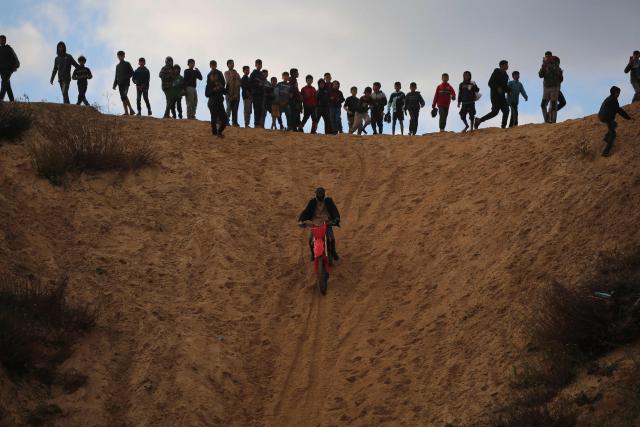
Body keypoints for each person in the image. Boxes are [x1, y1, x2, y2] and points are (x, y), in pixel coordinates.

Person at [298, 187, 340, 261]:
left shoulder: (328, 201)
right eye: (319, 194)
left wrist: (336, 218)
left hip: (326, 223)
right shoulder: (312, 202)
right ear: (316, 194)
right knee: (310, 241)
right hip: (315, 223)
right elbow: (306, 211)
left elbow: (334, 210)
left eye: (321, 194)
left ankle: (333, 251)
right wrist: (301, 220)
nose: (320, 195)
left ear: (324, 194)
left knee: (332, 239)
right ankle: (313, 253)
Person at [598, 86, 633, 157]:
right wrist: (628, 118)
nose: (619, 94)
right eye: (618, 93)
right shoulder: (613, 100)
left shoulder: (609, 98)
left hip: (601, 116)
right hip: (606, 117)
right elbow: (620, 111)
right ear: (614, 93)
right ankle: (605, 152)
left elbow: (616, 109)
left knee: (614, 124)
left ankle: (606, 138)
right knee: (613, 134)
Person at [475, 60, 510, 129]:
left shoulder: (506, 76)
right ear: (501, 65)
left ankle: (503, 127)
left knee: (506, 110)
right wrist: (497, 88)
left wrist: (509, 91)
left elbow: (505, 86)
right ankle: (479, 120)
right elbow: (490, 83)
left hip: (502, 96)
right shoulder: (496, 72)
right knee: (495, 112)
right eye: (506, 65)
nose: (507, 66)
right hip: (495, 96)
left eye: (507, 65)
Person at [205, 60, 228, 138]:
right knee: (214, 118)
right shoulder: (209, 83)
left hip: (219, 102)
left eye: (214, 65)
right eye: (212, 65)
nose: (214, 77)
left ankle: (219, 132)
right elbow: (206, 94)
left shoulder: (220, 78)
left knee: (225, 119)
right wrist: (213, 90)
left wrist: (221, 87)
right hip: (212, 101)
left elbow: (225, 91)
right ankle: (215, 133)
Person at [539, 51, 563, 123]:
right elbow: (540, 75)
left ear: (551, 57)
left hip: (554, 87)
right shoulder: (544, 65)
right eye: (546, 57)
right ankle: (546, 120)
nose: (548, 58)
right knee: (543, 105)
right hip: (546, 88)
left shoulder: (555, 64)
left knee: (553, 104)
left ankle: (553, 121)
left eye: (549, 56)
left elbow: (557, 73)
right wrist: (543, 65)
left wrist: (548, 65)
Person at [112, 50, 135, 115]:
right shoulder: (117, 66)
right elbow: (116, 76)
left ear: (124, 56)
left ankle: (130, 109)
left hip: (126, 83)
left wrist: (126, 77)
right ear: (118, 57)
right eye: (119, 56)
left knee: (124, 95)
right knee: (122, 97)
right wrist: (114, 84)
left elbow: (132, 72)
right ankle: (126, 112)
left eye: (122, 56)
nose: (120, 57)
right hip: (120, 84)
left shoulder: (127, 64)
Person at [0, 35, 20, 102]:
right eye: (0, 40)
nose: (1, 41)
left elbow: (15, 58)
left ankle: (0, 99)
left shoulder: (8, 48)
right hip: (2, 71)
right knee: (7, 85)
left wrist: (15, 67)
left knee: (4, 83)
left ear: (5, 41)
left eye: (3, 40)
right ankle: (12, 101)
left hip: (8, 70)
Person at [224, 59, 241, 126]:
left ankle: (235, 122)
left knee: (235, 109)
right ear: (227, 65)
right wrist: (232, 77)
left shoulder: (237, 74)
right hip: (229, 93)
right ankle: (226, 121)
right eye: (230, 63)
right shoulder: (226, 73)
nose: (232, 64)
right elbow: (227, 81)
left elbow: (240, 83)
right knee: (228, 108)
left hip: (237, 94)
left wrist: (236, 94)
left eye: (232, 63)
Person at [250, 59, 265, 128]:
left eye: (260, 64)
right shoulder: (253, 74)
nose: (259, 65)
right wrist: (257, 84)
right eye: (258, 64)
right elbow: (250, 84)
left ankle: (259, 124)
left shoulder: (262, 75)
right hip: (255, 94)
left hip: (261, 94)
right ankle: (256, 124)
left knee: (261, 109)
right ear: (255, 65)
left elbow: (264, 84)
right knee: (256, 109)